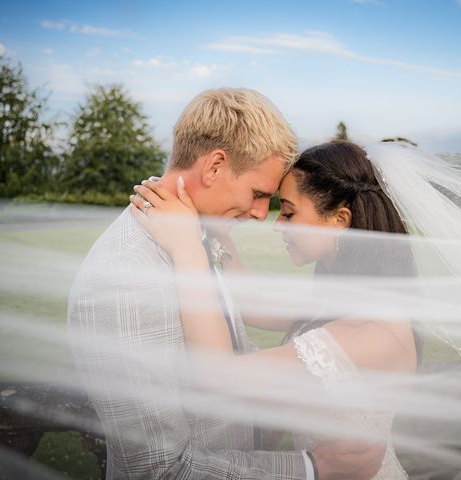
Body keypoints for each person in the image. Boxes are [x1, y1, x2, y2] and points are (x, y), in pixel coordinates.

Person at [68, 90, 385, 480]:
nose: (259, 214)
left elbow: (233, 352)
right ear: (215, 165)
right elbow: (156, 469)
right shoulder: (125, 276)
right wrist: (310, 467)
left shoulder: (197, 236)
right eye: (258, 195)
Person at [130, 141, 419, 479]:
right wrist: (219, 226)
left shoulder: (373, 333)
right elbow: (245, 303)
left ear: (340, 220)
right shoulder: (345, 301)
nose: (277, 224)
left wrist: (186, 249)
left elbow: (216, 375)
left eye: (289, 212)